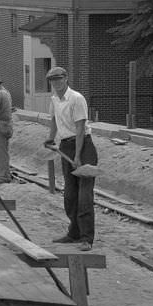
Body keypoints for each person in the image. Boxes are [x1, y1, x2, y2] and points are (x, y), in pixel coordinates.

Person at [44, 67, 97, 251]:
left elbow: (80, 129)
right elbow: (54, 121)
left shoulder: (76, 98)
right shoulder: (54, 100)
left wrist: (77, 156)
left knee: (84, 197)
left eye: (59, 79)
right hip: (65, 146)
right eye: (53, 80)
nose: (56, 83)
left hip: (84, 148)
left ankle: (86, 238)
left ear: (66, 79)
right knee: (70, 195)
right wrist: (50, 138)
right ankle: (73, 233)